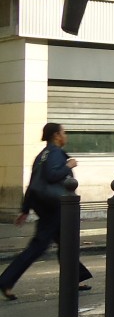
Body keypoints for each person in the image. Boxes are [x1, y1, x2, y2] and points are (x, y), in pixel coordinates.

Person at [1, 123, 93, 301]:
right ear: (57, 135)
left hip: (45, 205)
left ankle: (75, 278)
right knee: (39, 246)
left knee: (66, 243)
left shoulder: (41, 156)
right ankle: (6, 280)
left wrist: (25, 209)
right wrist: (69, 165)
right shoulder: (56, 153)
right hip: (56, 207)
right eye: (64, 132)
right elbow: (52, 175)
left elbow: (33, 183)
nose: (65, 136)